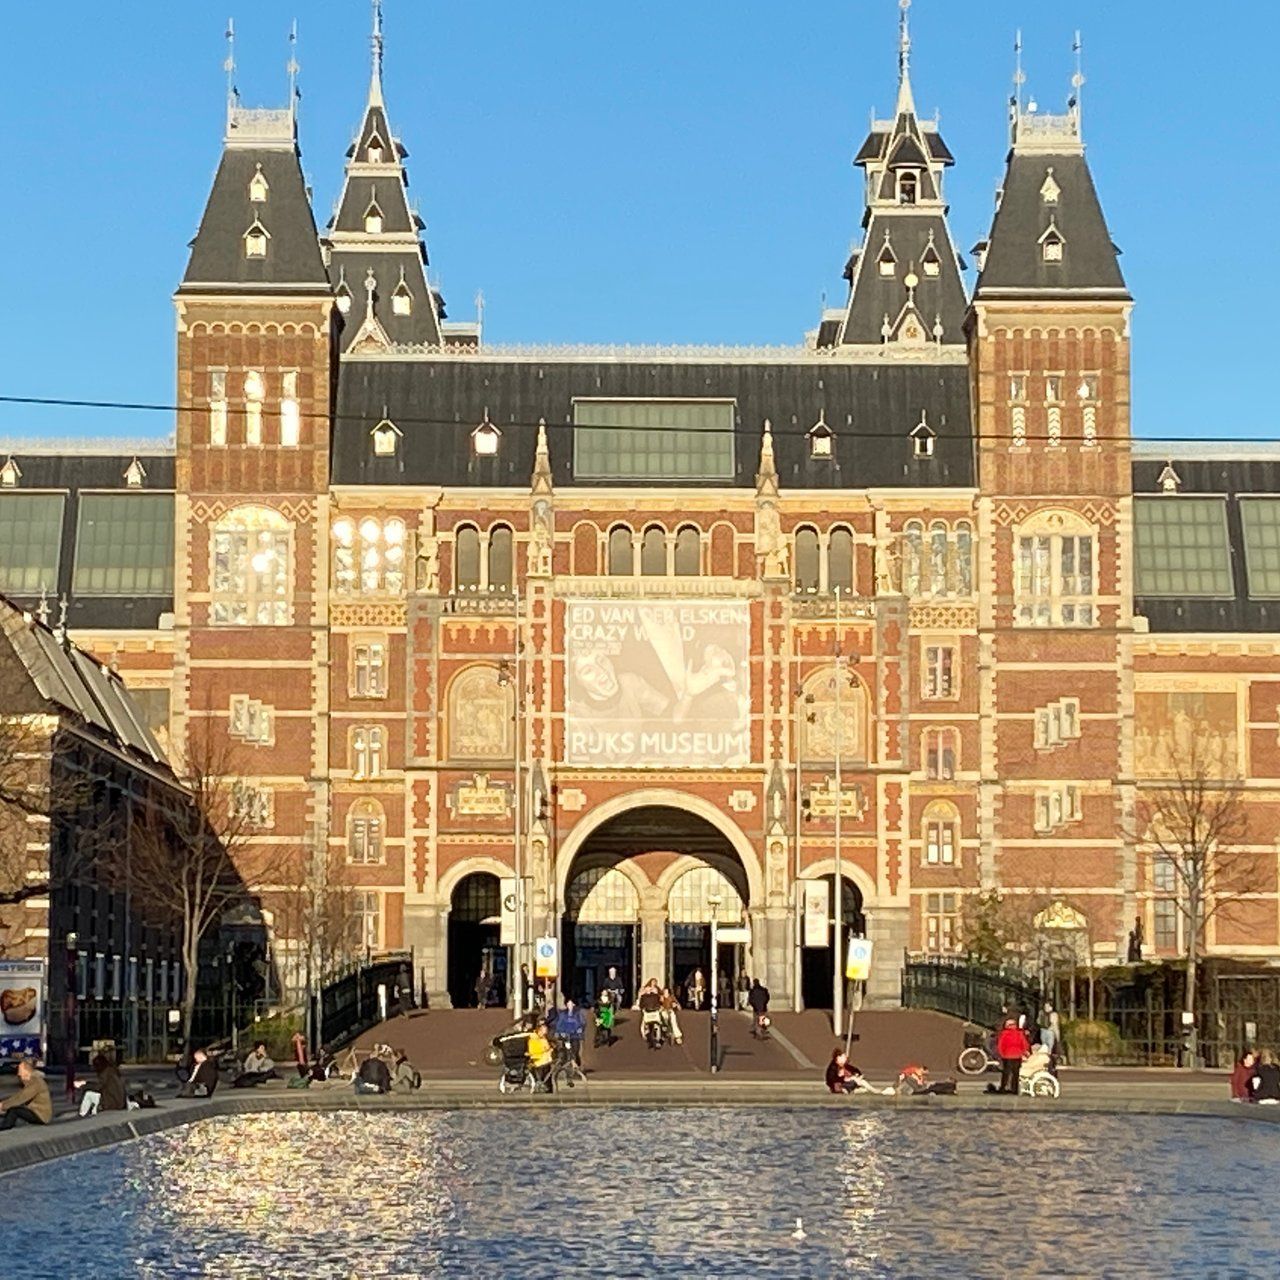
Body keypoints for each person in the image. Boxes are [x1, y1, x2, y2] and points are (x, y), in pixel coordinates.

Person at [0, 1058, 53, 1130]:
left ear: (26, 1070)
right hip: (34, 1111)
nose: (18, 1073)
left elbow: (21, 1098)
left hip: (41, 1115)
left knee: (14, 1110)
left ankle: (4, 1127)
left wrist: (3, 1105)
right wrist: (4, 1104)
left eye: (20, 1069)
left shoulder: (36, 1082)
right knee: (10, 1108)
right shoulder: (30, 1080)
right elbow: (18, 1096)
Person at [79, 1053, 128, 1117]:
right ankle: (93, 1112)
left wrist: (85, 1086)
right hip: (119, 1101)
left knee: (89, 1094)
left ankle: (82, 1114)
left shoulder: (105, 1073)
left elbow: (98, 1087)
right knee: (96, 1096)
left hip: (113, 1102)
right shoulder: (112, 1071)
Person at [996, 1018, 1030, 1094]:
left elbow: (1000, 1045)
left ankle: (1003, 1088)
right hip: (1017, 1056)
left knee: (1006, 1073)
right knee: (1016, 1073)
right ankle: (1014, 1089)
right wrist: (1024, 1052)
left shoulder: (1004, 1033)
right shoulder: (1019, 1033)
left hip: (1007, 1056)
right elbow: (1024, 1044)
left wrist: (1001, 1054)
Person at [526, 1020, 554, 1091]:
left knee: (548, 1070)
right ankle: (545, 1085)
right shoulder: (534, 1037)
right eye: (545, 1030)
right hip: (538, 1058)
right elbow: (535, 1050)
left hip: (543, 1058)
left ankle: (547, 1086)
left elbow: (546, 1047)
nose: (546, 1031)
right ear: (540, 1030)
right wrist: (548, 1051)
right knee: (546, 1069)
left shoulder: (543, 1038)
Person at [557, 999, 586, 1065]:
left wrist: (580, 1029)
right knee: (567, 1050)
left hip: (575, 1035)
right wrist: (561, 1032)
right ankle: (568, 1064)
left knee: (575, 1050)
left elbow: (583, 1023)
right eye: (568, 1004)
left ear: (573, 1005)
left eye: (571, 1004)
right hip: (566, 1036)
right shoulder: (563, 1014)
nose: (569, 1005)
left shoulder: (578, 1013)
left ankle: (576, 1063)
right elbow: (559, 1024)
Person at [638, 978, 664, 1048]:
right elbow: (641, 1005)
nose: (649, 990)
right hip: (647, 1012)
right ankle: (648, 1037)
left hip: (654, 1012)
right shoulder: (644, 997)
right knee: (645, 1025)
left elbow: (659, 1003)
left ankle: (657, 1039)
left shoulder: (656, 996)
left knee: (657, 1025)